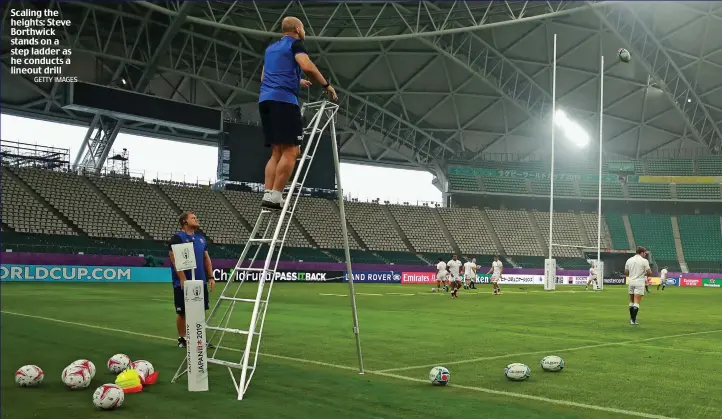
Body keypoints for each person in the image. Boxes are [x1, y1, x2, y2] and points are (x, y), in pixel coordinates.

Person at [259, 16, 338, 210]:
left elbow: (264, 77)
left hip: (266, 100)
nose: (304, 32)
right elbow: (307, 66)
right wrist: (326, 85)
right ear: (297, 28)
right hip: (284, 101)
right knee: (292, 150)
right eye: (303, 28)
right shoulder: (296, 44)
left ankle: (269, 194)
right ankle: (277, 195)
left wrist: (296, 80)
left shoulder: (271, 49)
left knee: (276, 151)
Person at [168, 211, 216, 348]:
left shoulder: (201, 239)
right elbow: (174, 260)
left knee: (200, 310)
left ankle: (198, 338)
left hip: (200, 281)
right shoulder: (178, 238)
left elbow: (206, 258)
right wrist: (182, 279)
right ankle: (182, 338)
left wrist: (211, 276)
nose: (196, 219)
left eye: (196, 217)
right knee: (182, 312)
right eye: (193, 218)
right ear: (185, 222)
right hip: (182, 283)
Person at [625, 246, 652, 325]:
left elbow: (626, 272)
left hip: (631, 281)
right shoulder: (644, 261)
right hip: (639, 282)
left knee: (631, 301)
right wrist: (644, 274)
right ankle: (633, 320)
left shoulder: (629, 260)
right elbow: (649, 272)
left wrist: (632, 274)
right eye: (644, 253)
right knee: (637, 302)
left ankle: (631, 319)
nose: (645, 254)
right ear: (642, 252)